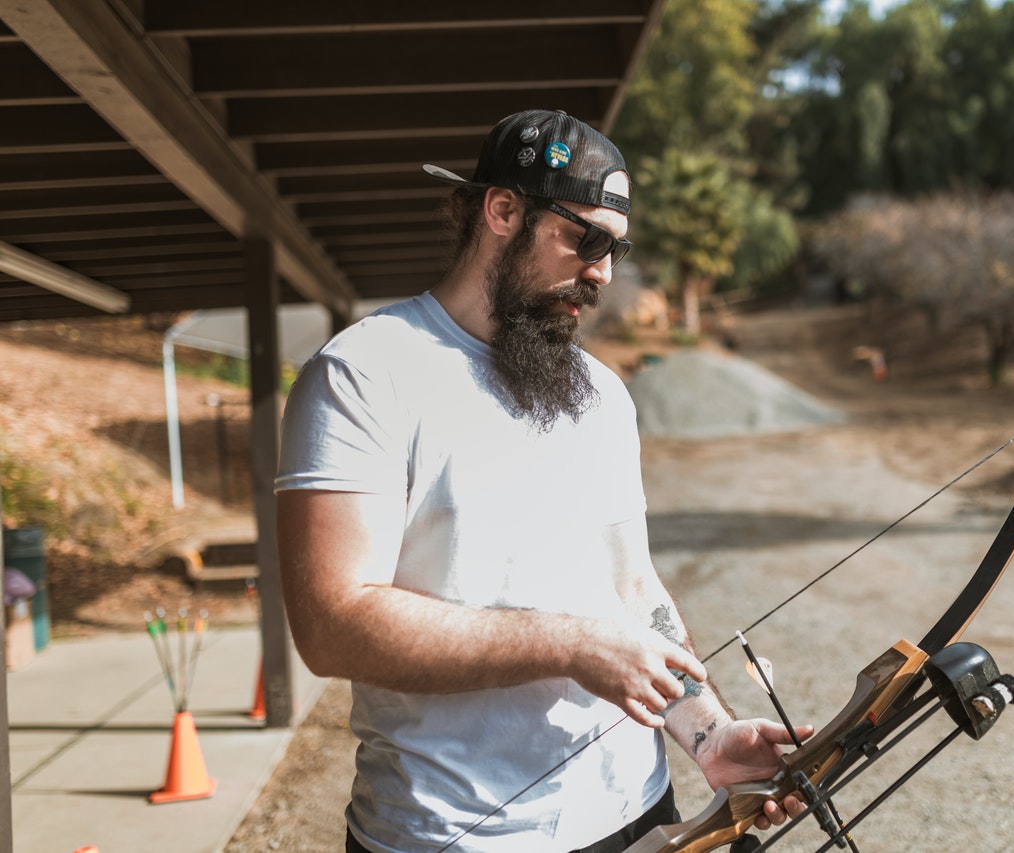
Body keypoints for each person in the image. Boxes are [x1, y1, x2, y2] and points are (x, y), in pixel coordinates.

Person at [275, 109, 809, 853]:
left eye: (616, 249)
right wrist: (571, 645)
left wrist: (709, 732)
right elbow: (332, 625)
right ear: (502, 210)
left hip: (637, 807)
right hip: (453, 835)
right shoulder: (363, 375)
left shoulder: (603, 393)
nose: (603, 273)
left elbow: (634, 589)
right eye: (586, 239)